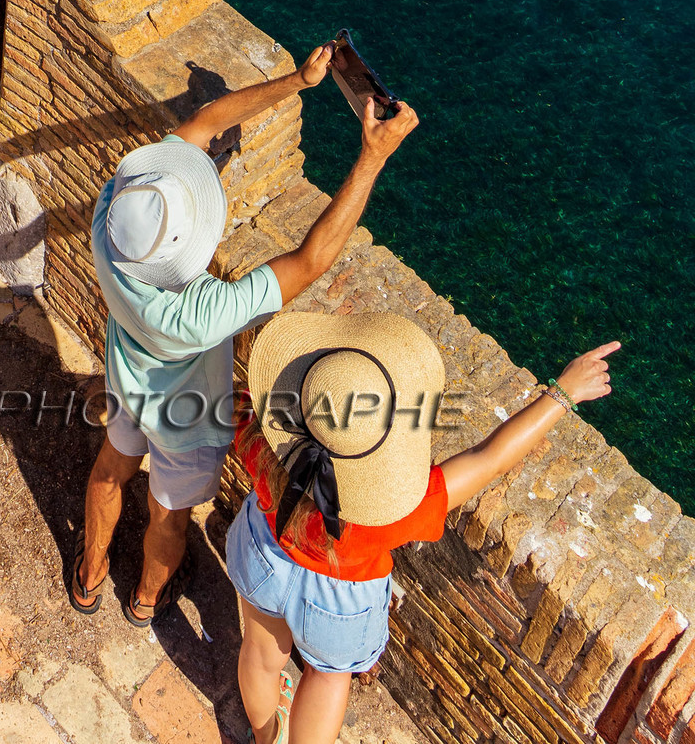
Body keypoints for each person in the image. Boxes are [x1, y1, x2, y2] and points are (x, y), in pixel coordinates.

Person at [72, 46, 419, 625]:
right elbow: (310, 261)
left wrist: (300, 81)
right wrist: (372, 158)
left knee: (110, 470)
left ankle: (88, 576)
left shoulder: (114, 219)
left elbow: (205, 122)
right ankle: (144, 602)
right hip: (183, 418)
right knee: (167, 514)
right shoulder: (197, 313)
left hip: (126, 383)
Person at [230, 312, 620, 744]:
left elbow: (246, 402)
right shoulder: (401, 508)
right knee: (326, 679)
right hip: (338, 599)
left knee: (262, 654)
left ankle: (264, 737)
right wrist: (563, 393)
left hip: (262, 550)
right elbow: (488, 458)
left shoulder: (261, 432)